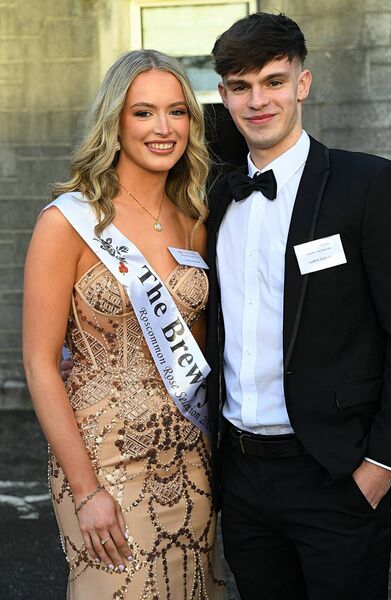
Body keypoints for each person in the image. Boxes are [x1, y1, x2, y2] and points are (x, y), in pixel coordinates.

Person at [204, 12, 391, 600]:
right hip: (241, 476)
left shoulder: (369, 184)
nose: (258, 101)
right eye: (240, 86)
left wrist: (382, 466)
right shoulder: (215, 196)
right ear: (224, 95)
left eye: (274, 81)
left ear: (302, 84)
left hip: (336, 473)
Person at [23, 49, 225, 599]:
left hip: (189, 457)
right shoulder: (68, 222)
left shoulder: (195, 220)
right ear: (114, 120)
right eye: (144, 113)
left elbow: (201, 352)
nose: (164, 128)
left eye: (177, 111)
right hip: (101, 460)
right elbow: (40, 365)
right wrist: (86, 491)